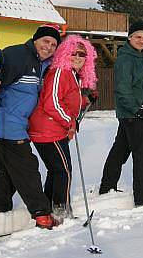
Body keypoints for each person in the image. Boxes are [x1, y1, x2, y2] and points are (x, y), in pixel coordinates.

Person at [0, 25, 61, 230]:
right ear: (35, 40)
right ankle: (41, 213)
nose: (48, 47)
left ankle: (1, 205)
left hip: (18, 122)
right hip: (6, 121)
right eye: (45, 42)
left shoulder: (42, 63)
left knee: (8, 169)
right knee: (27, 168)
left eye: (53, 44)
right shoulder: (17, 55)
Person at [28, 35, 97, 221]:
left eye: (82, 54)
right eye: (73, 53)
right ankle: (61, 211)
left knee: (56, 170)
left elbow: (66, 99)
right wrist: (70, 122)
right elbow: (51, 103)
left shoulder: (71, 74)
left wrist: (83, 100)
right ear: (65, 54)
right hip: (48, 129)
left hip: (53, 128)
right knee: (63, 171)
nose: (78, 57)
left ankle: (49, 207)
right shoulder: (60, 71)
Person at [99, 21, 143, 207]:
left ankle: (107, 186)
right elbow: (123, 89)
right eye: (138, 37)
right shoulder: (126, 59)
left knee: (120, 151)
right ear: (130, 38)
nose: (142, 40)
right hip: (133, 114)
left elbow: (140, 87)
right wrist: (138, 109)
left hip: (134, 113)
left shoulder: (140, 57)